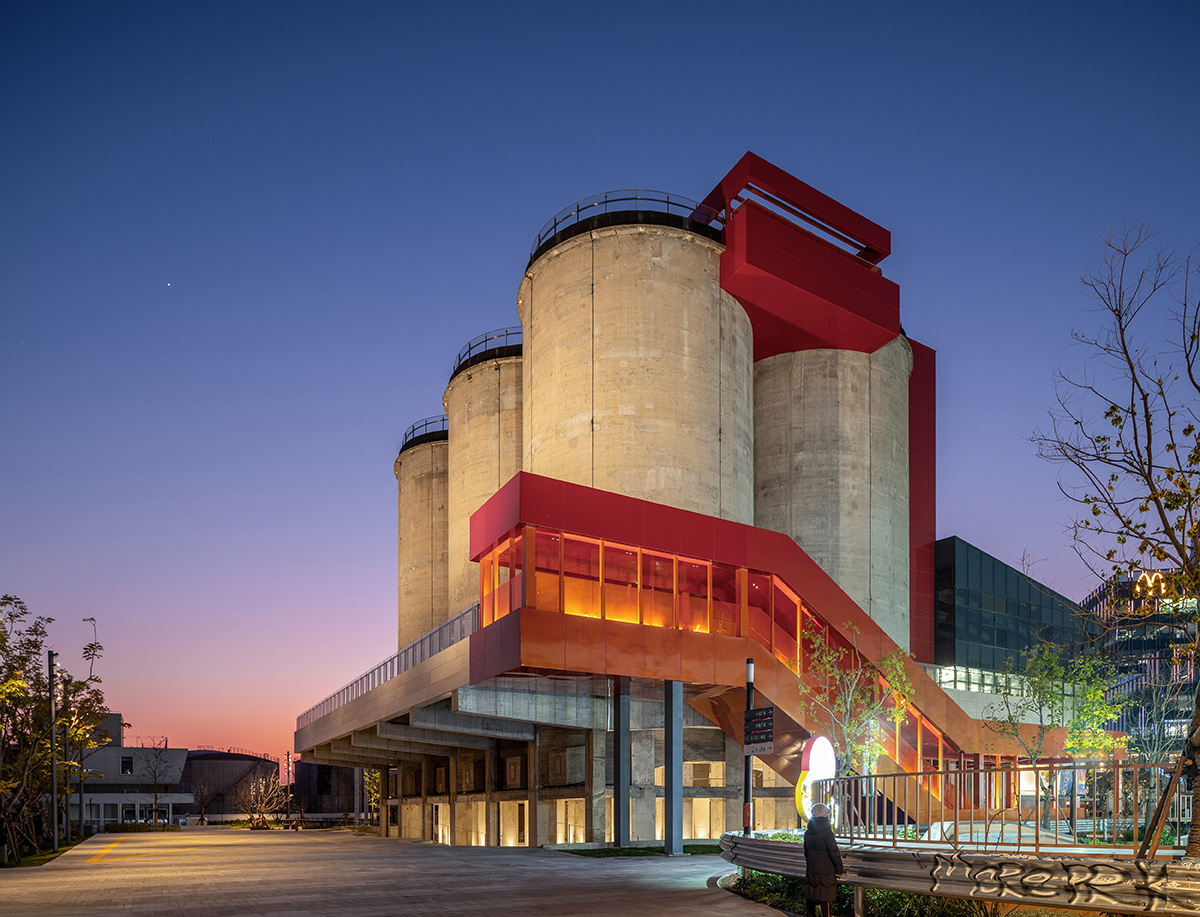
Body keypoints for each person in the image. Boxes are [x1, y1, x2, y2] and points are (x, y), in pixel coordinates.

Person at [803, 803, 843, 917]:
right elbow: (834, 853)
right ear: (826, 816)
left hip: (812, 868)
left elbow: (806, 852)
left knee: (811, 893)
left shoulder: (808, 833)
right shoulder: (827, 833)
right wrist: (839, 870)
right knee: (824, 896)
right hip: (826, 870)